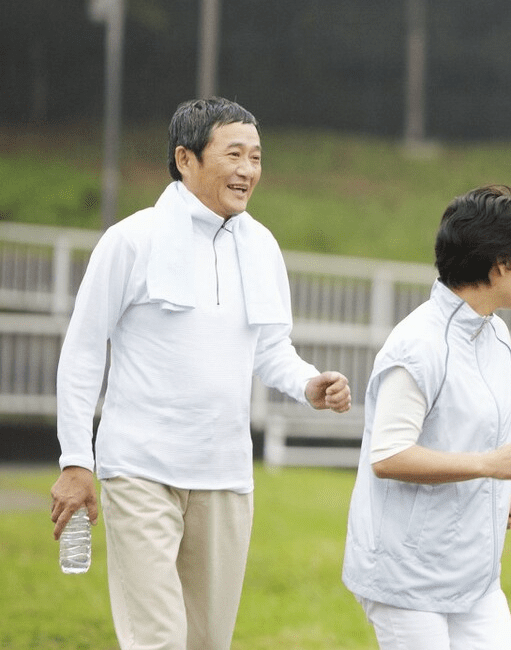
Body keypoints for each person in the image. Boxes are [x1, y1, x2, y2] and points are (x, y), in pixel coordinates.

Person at [50, 97, 353, 650]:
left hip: (225, 475)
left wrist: (309, 383)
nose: (247, 170)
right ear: (185, 159)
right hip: (139, 469)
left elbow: (269, 348)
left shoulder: (261, 246)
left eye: (256, 157)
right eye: (233, 154)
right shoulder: (130, 241)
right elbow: (83, 352)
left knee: (207, 642)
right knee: (158, 640)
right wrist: (76, 460)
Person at [342, 184, 511, 650]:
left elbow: (467, 436)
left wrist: (497, 493)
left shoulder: (495, 335)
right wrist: (487, 467)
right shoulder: (417, 345)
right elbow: (389, 455)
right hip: (406, 579)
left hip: (474, 577)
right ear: (500, 266)